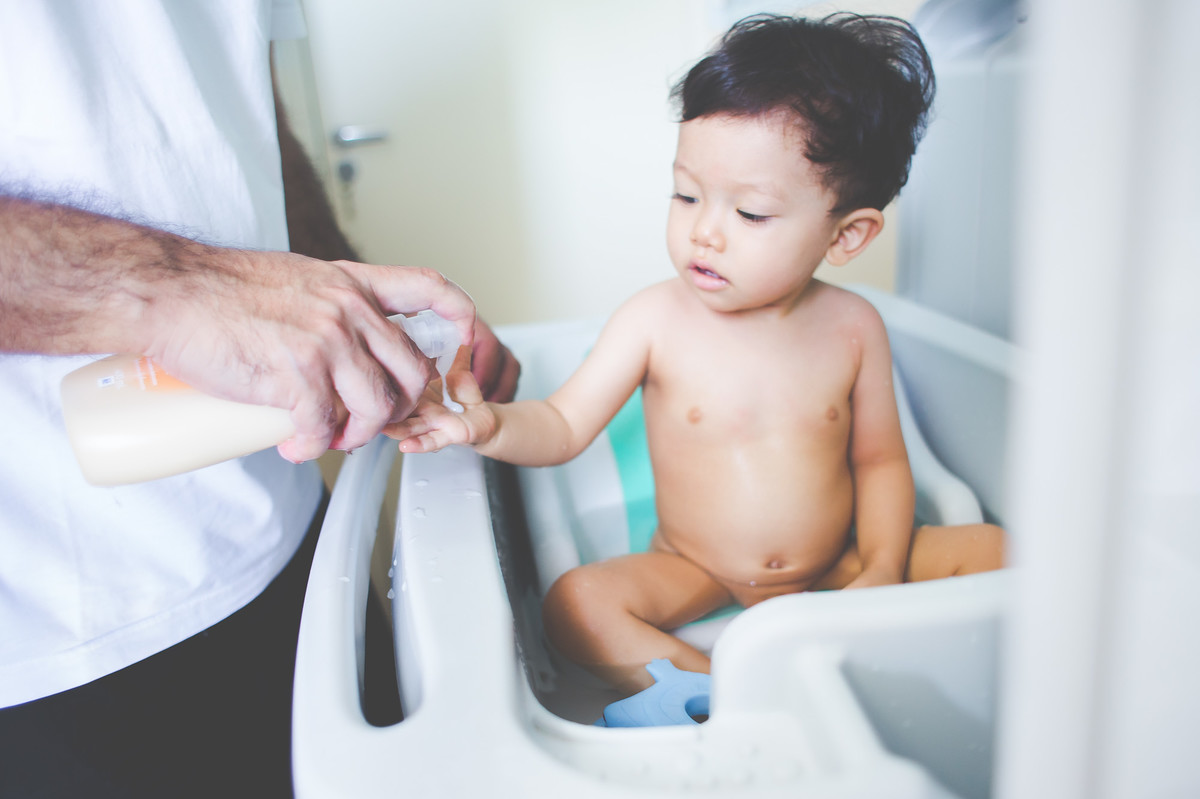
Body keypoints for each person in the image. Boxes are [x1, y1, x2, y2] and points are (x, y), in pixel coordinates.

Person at [389, 12, 1005, 697]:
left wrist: (883, 569)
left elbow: (881, 460)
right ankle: (736, 692)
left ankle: (811, 671)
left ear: (847, 235)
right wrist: (491, 426)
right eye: (686, 194)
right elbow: (563, 426)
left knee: (999, 552)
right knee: (575, 607)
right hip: (696, 567)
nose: (704, 231)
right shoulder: (654, 320)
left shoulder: (855, 327)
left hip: (837, 561)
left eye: (750, 214)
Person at [0, 1, 517, 796]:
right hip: (72, 643)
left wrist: (373, 330)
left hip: (291, 543)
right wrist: (175, 286)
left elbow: (235, 109)